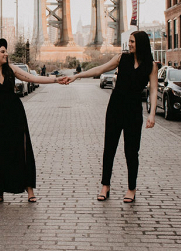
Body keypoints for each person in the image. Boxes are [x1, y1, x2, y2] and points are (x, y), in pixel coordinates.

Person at [67, 31, 158, 203]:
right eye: (129, 41)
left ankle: (131, 188)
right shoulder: (121, 58)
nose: (129, 44)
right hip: (115, 107)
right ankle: (105, 186)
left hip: (134, 111)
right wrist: (77, 76)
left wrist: (152, 114)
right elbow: (100, 69)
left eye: (132, 42)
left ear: (140, 43)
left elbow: (153, 90)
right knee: (109, 148)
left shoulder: (151, 66)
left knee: (132, 152)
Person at [0, 39, 68, 203]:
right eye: (2, 51)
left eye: (6, 51)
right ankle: (0, 190)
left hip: (15, 115)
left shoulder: (10, 69)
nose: (6, 54)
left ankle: (29, 189)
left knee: (22, 150)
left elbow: (32, 79)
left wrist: (56, 80)